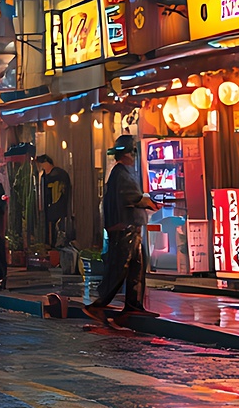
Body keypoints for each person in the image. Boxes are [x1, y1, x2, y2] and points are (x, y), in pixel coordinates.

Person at [89, 135, 159, 320]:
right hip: (124, 228)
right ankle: (100, 303)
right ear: (129, 154)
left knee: (136, 267)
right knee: (120, 267)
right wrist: (147, 202)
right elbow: (130, 197)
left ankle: (133, 304)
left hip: (131, 227)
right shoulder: (120, 173)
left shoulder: (122, 172)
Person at [35, 154, 72, 248]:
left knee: (57, 234)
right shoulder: (45, 176)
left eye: (42, 164)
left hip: (57, 209)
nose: (41, 167)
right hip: (51, 209)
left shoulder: (57, 175)